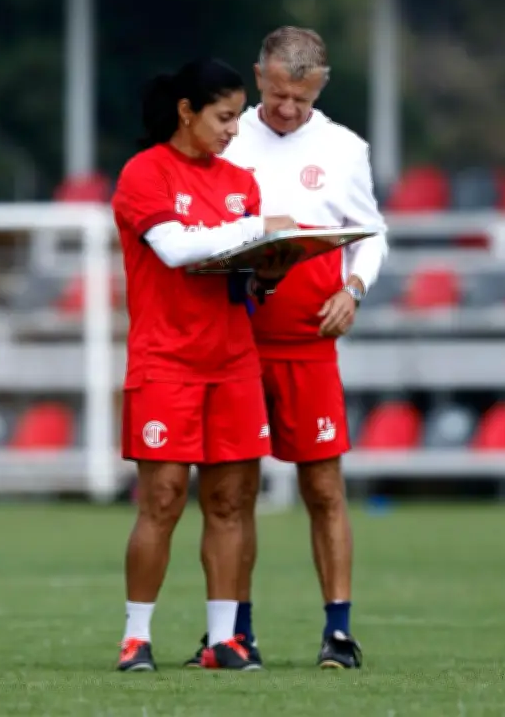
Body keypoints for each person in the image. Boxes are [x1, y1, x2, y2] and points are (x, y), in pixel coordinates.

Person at [185, 28, 388, 670]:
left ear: (319, 88)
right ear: (259, 76)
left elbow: (372, 234)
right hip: (235, 340)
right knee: (230, 493)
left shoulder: (344, 149)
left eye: (300, 98)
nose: (287, 110)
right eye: (276, 95)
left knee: (323, 487)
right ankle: (231, 633)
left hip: (307, 343)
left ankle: (339, 634)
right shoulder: (224, 135)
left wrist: (354, 287)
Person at [111, 58, 297, 672]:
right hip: (166, 361)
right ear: (186, 112)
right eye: (223, 117)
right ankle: (136, 638)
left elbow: (238, 274)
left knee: (229, 502)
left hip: (233, 361)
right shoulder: (144, 174)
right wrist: (249, 230)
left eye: (237, 118)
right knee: (161, 500)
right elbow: (173, 249)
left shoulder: (242, 183)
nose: (232, 130)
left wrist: (268, 268)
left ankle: (224, 641)